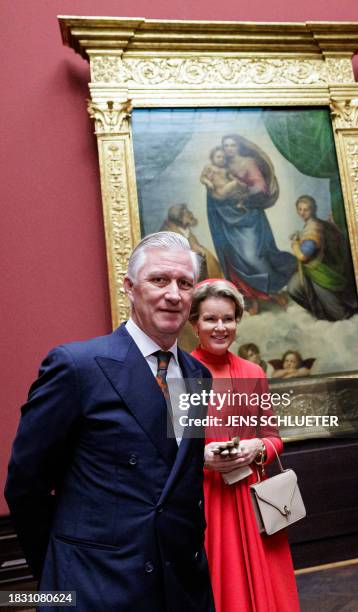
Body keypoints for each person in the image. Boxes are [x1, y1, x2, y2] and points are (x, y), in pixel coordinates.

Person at [5, 232, 215, 612]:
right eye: (159, 280)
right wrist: (60, 569)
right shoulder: (77, 366)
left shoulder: (198, 374)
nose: (173, 294)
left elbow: (178, 481)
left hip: (182, 587)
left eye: (185, 284)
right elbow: (25, 485)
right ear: (130, 288)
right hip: (98, 586)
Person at [189, 279, 300, 612]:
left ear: (238, 320)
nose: (220, 327)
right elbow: (163, 451)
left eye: (228, 319)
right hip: (205, 499)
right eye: (211, 319)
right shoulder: (180, 371)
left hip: (254, 496)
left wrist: (257, 449)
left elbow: (273, 437)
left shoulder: (253, 371)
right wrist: (202, 457)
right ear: (194, 323)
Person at [205, 134, 296, 315]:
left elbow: (261, 187)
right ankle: (252, 297)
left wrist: (243, 194)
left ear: (239, 147)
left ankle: (272, 291)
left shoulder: (248, 163)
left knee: (253, 257)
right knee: (234, 259)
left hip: (248, 217)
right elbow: (212, 188)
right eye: (225, 146)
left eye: (232, 145)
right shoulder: (221, 165)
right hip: (227, 219)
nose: (228, 149)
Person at [288, 195, 358, 321]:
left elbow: (303, 255)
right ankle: (322, 313)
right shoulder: (318, 223)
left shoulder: (313, 228)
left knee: (337, 313)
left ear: (313, 209)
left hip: (321, 274)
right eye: (300, 209)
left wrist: (294, 244)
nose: (302, 213)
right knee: (294, 288)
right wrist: (300, 237)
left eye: (306, 209)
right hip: (316, 271)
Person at [200, 146, 248, 210]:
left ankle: (240, 204)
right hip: (219, 192)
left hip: (227, 191)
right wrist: (208, 182)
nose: (221, 159)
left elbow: (231, 177)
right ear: (212, 158)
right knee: (236, 183)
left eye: (224, 157)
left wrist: (239, 182)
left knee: (243, 191)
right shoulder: (209, 167)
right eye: (218, 157)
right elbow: (202, 178)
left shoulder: (225, 169)